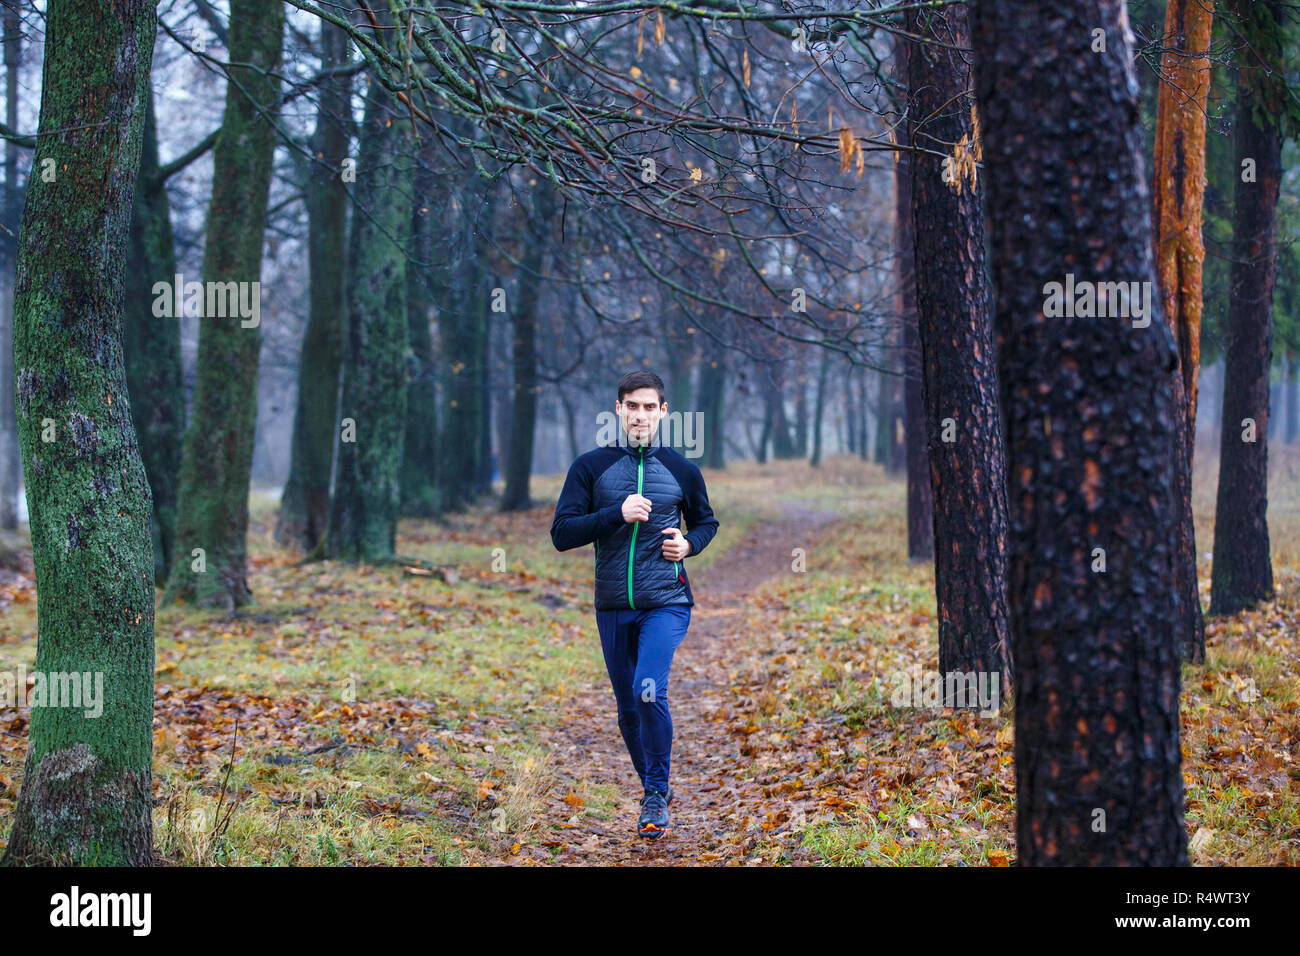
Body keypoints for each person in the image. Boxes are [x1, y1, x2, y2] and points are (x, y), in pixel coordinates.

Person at [549, 369, 719, 839]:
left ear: (663, 412)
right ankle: (652, 790)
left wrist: (688, 546)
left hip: (666, 599)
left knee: (649, 687)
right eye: (632, 406)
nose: (641, 415)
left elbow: (707, 522)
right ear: (619, 410)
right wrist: (614, 514)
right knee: (627, 707)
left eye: (650, 407)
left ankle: (656, 793)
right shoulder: (590, 467)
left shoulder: (683, 470)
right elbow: (562, 534)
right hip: (612, 606)